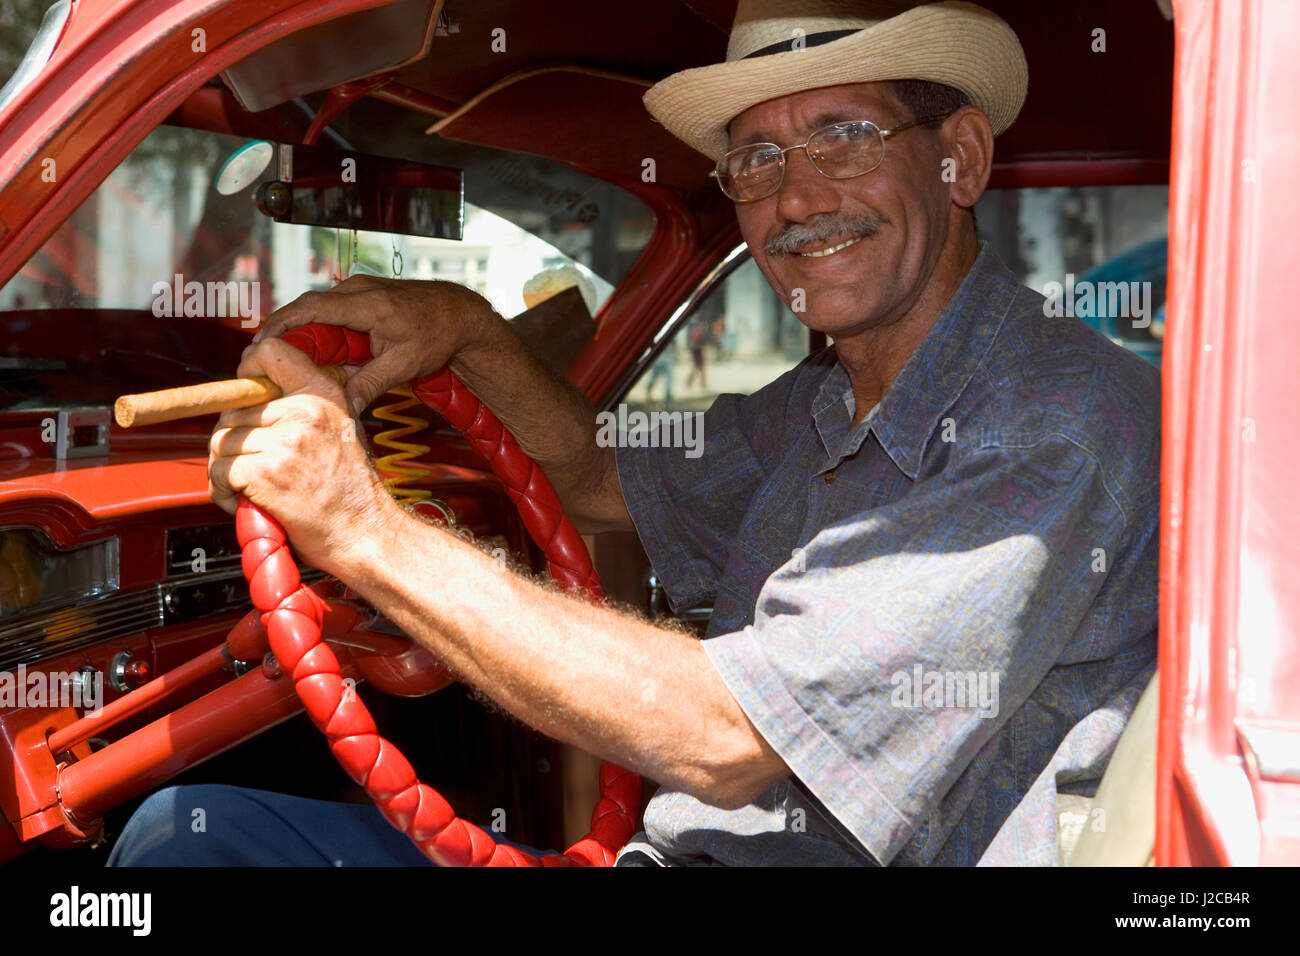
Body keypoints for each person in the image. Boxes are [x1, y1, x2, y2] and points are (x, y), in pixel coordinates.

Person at [109, 0, 1159, 867]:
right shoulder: (826, 400)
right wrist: (470, 335)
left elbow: (727, 735)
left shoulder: (1049, 421)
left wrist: (362, 529)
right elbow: (608, 479)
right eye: (754, 160)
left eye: (844, 136)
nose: (795, 194)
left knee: (184, 850)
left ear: (958, 161)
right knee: (191, 837)